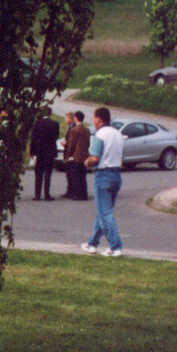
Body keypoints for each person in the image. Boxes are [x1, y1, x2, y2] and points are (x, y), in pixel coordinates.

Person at [81, 106, 124, 256]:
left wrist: (86, 162)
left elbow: (95, 158)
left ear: (99, 119)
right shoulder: (118, 134)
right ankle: (92, 243)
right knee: (104, 212)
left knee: (105, 213)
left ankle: (115, 246)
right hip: (116, 174)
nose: (93, 121)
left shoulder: (100, 134)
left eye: (94, 118)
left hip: (103, 174)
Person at [29, 104, 59, 201]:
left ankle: (37, 195)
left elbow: (33, 138)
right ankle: (47, 194)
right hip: (50, 151)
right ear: (50, 114)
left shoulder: (37, 124)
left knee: (38, 174)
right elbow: (56, 137)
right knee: (48, 173)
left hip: (39, 151)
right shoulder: (55, 124)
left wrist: (32, 151)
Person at [63, 110, 90, 200]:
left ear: (76, 118)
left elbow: (71, 144)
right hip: (84, 155)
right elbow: (88, 143)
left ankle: (78, 194)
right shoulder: (86, 130)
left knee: (77, 175)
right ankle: (84, 193)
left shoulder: (74, 130)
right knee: (83, 175)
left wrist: (67, 156)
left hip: (76, 155)